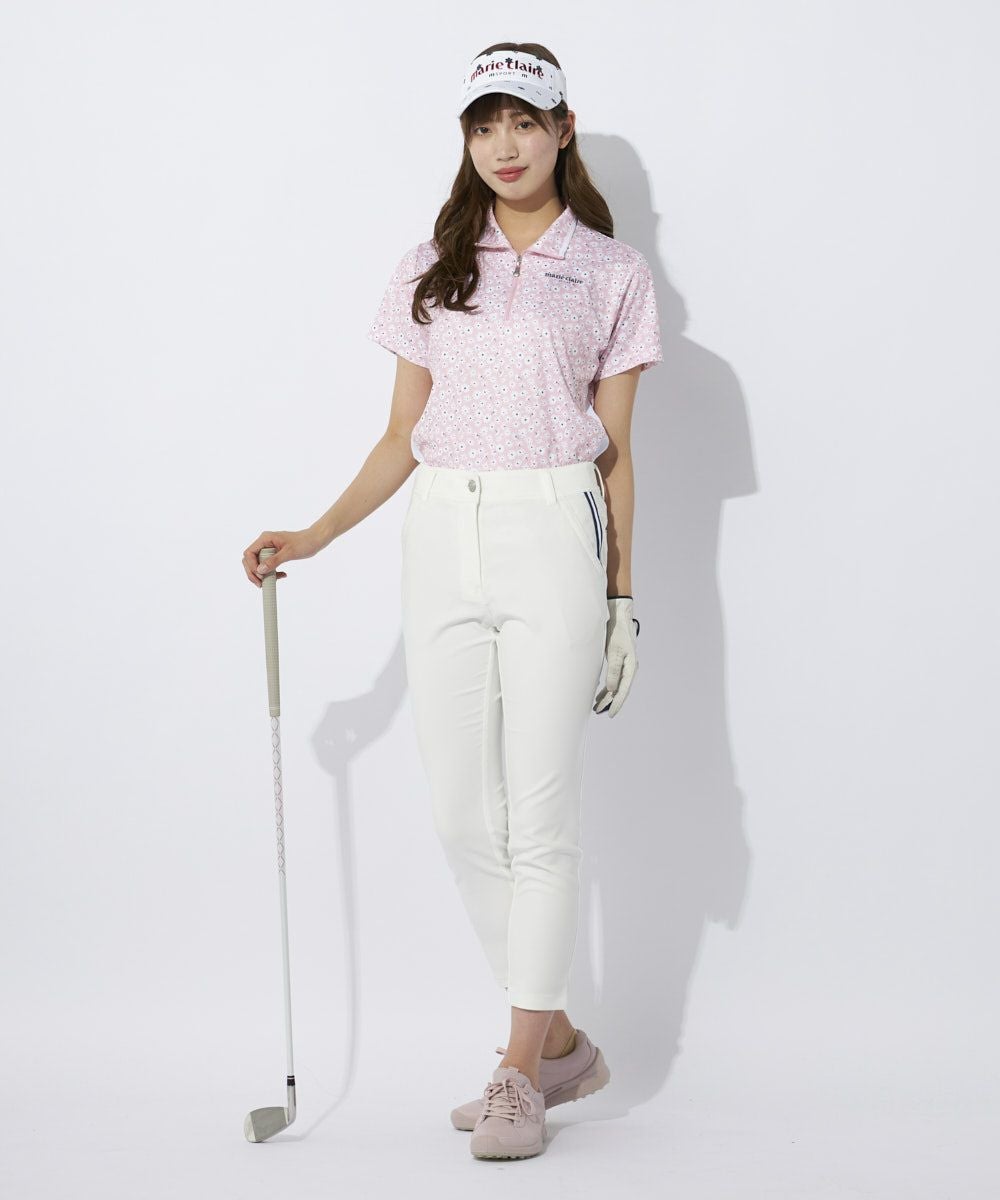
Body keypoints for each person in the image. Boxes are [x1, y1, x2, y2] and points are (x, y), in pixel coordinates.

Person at [242, 41, 662, 1160]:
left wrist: (622, 599)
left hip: (553, 525)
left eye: (523, 122)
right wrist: (314, 534)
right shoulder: (434, 265)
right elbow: (400, 435)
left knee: (542, 815)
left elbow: (617, 451)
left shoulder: (611, 273)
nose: (504, 146)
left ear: (563, 129)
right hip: (441, 530)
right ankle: (559, 1040)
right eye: (484, 126)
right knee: (464, 818)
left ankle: (518, 1069)